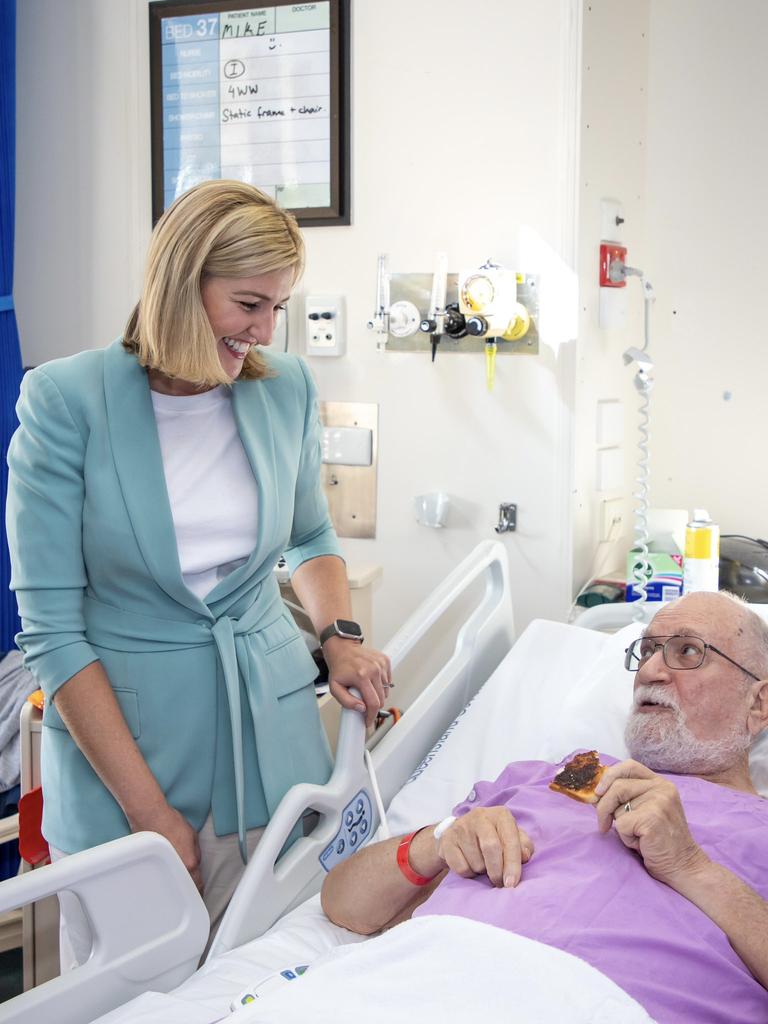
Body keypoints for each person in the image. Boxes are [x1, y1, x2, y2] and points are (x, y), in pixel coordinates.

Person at [5, 179, 391, 962]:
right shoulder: (67, 402)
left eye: (279, 307)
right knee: (139, 990)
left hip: (278, 741)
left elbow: (310, 532)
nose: (264, 330)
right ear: (183, 284)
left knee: (279, 976)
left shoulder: (283, 390)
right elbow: (52, 630)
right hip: (135, 760)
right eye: (249, 304)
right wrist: (148, 811)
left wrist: (341, 637)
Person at [321, 592, 768, 1024]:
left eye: (687, 651)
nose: (650, 670)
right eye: (647, 650)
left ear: (759, 703)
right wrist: (438, 841)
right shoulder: (550, 775)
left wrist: (690, 865)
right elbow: (343, 906)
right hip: (424, 982)